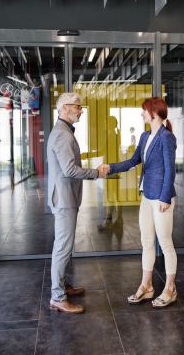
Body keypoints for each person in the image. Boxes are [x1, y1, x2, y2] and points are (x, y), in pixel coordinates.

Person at [101, 97, 178, 308]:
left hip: (161, 199)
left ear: (154, 113)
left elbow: (170, 170)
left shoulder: (166, 137)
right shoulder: (145, 136)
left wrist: (165, 198)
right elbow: (134, 161)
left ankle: (170, 288)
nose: (141, 114)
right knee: (146, 242)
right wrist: (111, 168)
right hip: (146, 196)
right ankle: (147, 286)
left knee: (165, 243)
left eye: (144, 111)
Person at [48, 92, 108, 313]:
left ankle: (62, 286)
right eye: (78, 107)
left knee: (64, 246)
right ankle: (58, 297)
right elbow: (69, 169)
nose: (81, 111)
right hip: (64, 199)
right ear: (65, 108)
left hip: (66, 197)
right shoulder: (63, 134)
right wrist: (95, 173)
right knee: (62, 248)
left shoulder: (63, 131)